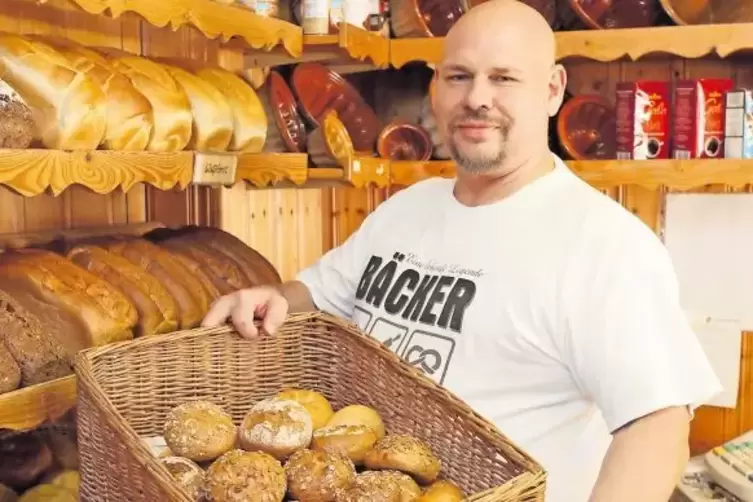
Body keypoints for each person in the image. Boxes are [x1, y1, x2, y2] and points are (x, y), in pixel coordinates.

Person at [203, 1, 722, 500]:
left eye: (503, 78)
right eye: (458, 76)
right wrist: (272, 294)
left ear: (551, 89)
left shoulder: (604, 244)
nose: (477, 97)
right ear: (436, 88)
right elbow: (318, 294)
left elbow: (656, 426)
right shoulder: (405, 210)